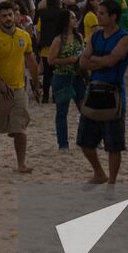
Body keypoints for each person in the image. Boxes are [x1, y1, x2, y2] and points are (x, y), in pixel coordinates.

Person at [78, 0, 128, 185]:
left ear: (113, 16)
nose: (98, 16)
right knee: (84, 141)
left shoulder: (124, 38)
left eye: (102, 13)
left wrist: (94, 59)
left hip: (113, 92)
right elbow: (83, 62)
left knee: (113, 145)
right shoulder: (95, 36)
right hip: (93, 89)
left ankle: (112, 181)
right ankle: (99, 173)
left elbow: (111, 60)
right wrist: (101, 60)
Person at [0, 3, 40, 173]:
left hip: (18, 89)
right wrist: (0, 83)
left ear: (16, 16)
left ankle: (21, 163)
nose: (8, 18)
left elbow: (31, 61)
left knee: (19, 127)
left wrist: (36, 84)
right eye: (4, 15)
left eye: (10, 15)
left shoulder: (24, 36)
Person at [45, 9, 85, 152]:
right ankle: (63, 144)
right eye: (72, 18)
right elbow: (50, 60)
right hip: (62, 77)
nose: (75, 20)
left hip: (78, 76)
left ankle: (85, 139)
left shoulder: (78, 37)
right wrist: (69, 59)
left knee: (85, 109)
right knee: (62, 112)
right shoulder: (58, 40)